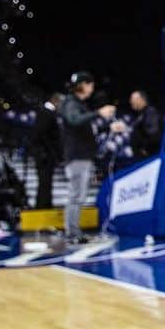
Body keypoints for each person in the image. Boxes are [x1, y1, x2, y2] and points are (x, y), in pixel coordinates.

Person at [58, 72, 115, 244]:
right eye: (90, 84)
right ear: (83, 85)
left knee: (78, 196)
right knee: (76, 196)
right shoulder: (71, 103)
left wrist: (110, 127)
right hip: (77, 157)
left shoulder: (77, 103)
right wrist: (99, 113)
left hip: (81, 156)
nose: (92, 88)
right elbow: (74, 120)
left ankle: (74, 232)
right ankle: (72, 234)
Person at [29, 92, 64, 210]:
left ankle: (45, 205)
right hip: (44, 155)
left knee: (46, 182)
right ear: (56, 101)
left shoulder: (47, 112)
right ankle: (43, 206)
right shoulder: (46, 113)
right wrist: (48, 151)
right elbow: (41, 135)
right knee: (44, 181)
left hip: (45, 153)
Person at [128, 89, 162, 159]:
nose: (131, 102)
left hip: (149, 157)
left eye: (133, 99)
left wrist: (145, 148)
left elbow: (154, 134)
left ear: (141, 99)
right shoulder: (140, 114)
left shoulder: (150, 112)